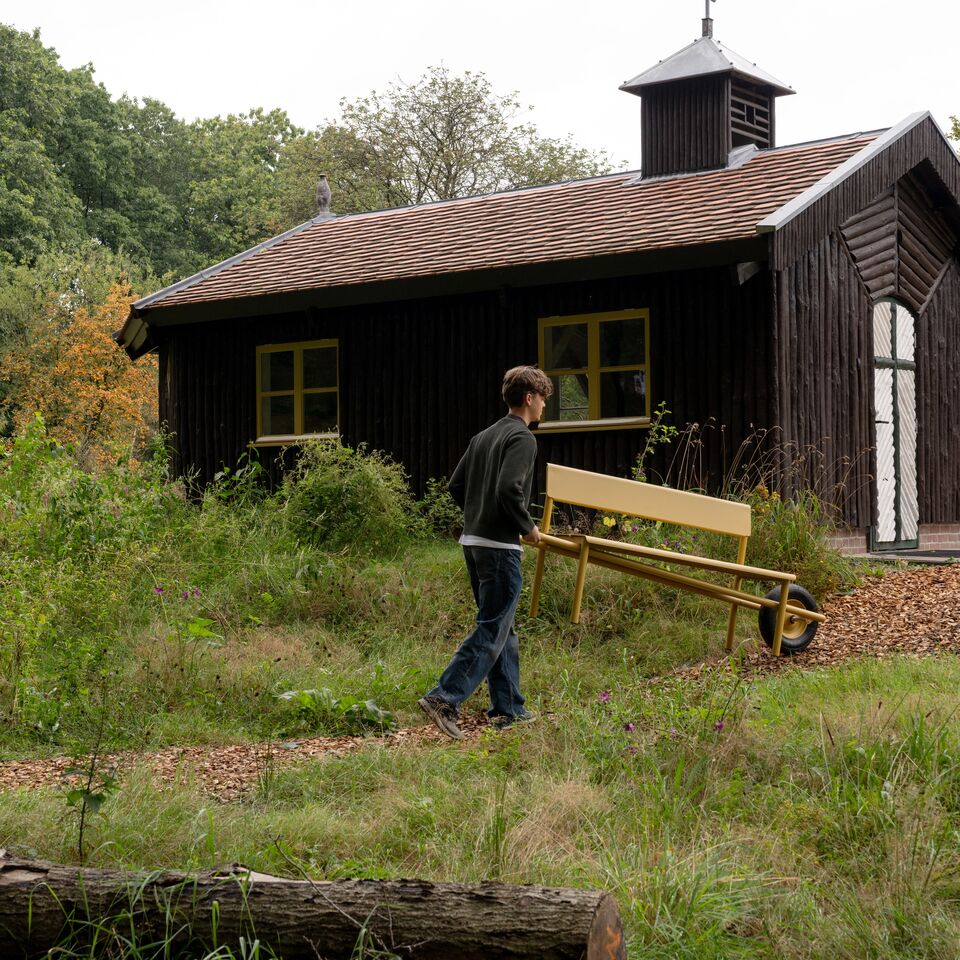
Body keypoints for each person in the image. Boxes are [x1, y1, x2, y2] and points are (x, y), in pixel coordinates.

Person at [418, 365, 553, 740]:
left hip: (474, 543)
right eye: (543, 399)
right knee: (493, 627)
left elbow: (456, 485)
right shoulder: (522, 437)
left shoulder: (483, 436)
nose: (544, 406)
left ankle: (510, 708)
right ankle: (444, 698)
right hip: (498, 547)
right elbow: (509, 488)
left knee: (502, 626)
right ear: (529, 398)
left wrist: (479, 515)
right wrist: (526, 526)